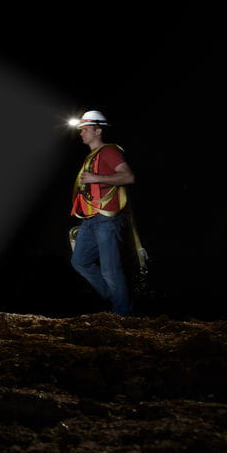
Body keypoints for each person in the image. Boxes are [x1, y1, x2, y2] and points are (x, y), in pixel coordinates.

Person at [69, 110, 136, 315]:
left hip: (106, 220)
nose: (81, 133)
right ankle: (116, 299)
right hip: (90, 221)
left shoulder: (108, 152)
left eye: (86, 129)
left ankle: (125, 316)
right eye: (81, 129)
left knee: (110, 270)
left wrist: (96, 178)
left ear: (98, 131)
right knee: (79, 261)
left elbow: (128, 177)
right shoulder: (92, 156)